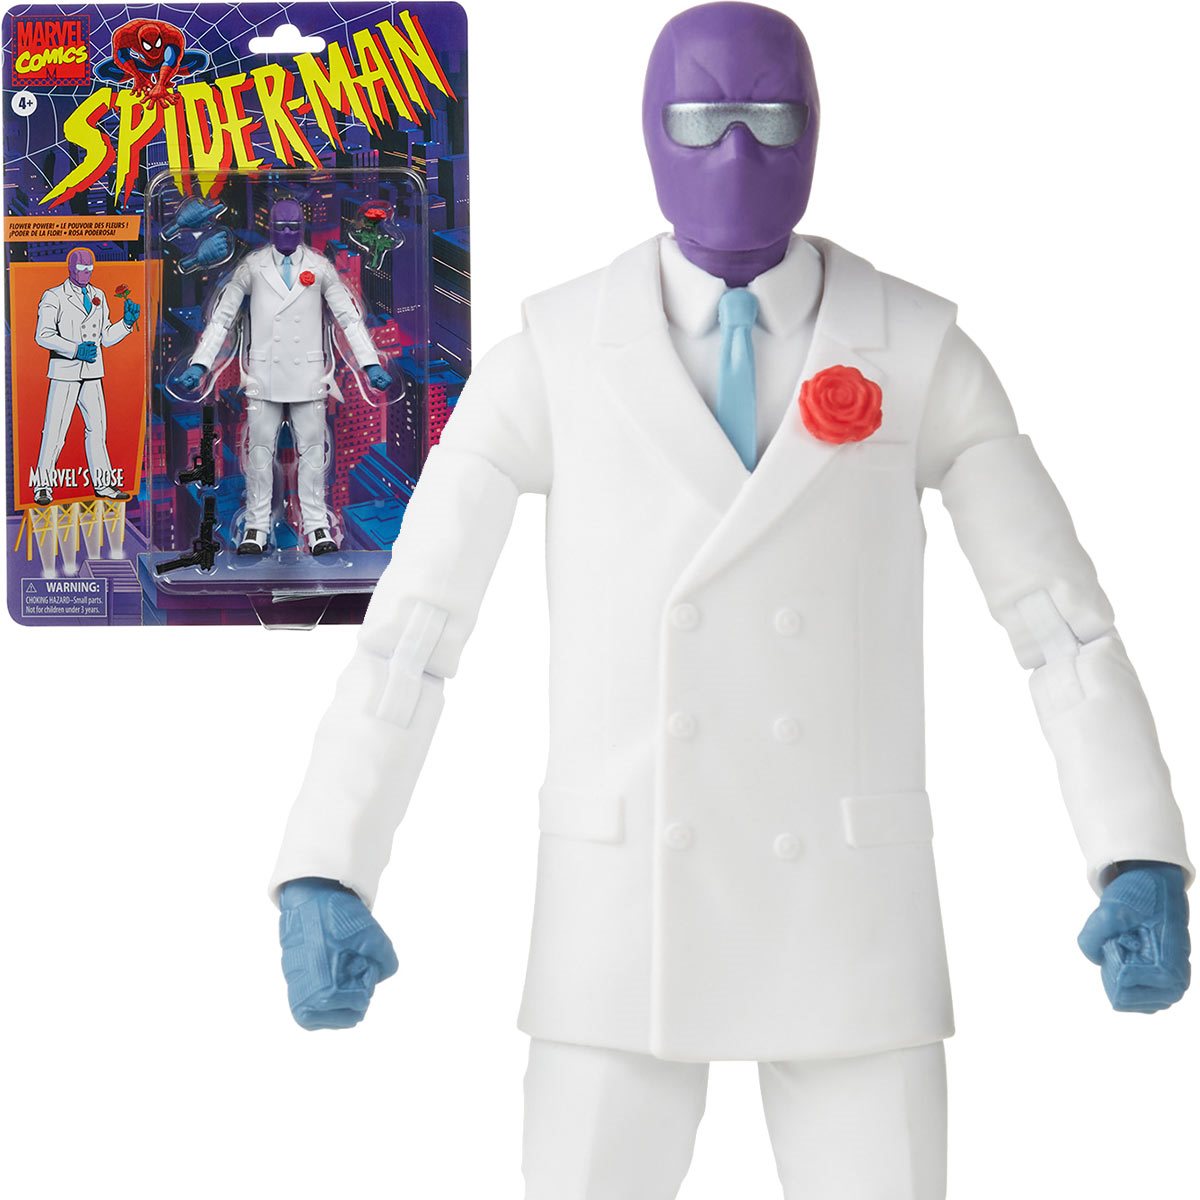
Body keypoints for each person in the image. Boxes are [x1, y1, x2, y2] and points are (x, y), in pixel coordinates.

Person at [270, 6, 1192, 1198]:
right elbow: (414, 635)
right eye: (703, 118)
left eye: (771, 117)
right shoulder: (553, 354)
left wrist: (1135, 849)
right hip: (621, 920)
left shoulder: (919, 348)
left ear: (819, 129)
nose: (739, 152)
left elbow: (1058, 624)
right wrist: (328, 864)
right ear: (648, 132)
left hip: (849, 919)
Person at [178, 198, 391, 555]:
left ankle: (317, 526)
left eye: (294, 226)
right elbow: (222, 318)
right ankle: (256, 527)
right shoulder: (252, 267)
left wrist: (370, 365)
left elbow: (349, 318)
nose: (288, 232)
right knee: (259, 455)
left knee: (314, 455)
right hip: (264, 376)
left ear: (303, 228)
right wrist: (200, 364)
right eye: (281, 226)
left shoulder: (320, 267)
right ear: (271, 228)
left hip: (309, 376)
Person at [33, 246, 139, 505]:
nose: (86, 273)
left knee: (97, 430)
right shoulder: (53, 296)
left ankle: (104, 484)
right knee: (54, 431)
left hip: (92, 373)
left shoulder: (98, 295)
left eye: (90, 269)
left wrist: (126, 323)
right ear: (70, 267)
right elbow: (42, 335)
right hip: (65, 372)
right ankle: (43, 486)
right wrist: (75, 349)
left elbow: (106, 337)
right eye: (82, 268)